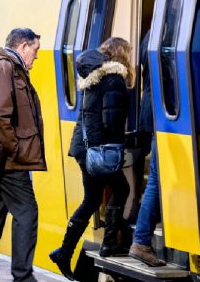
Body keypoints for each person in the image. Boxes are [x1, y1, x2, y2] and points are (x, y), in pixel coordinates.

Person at [50, 37, 133, 280]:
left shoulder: (91, 79)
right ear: (121, 54)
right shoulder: (115, 80)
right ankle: (107, 245)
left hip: (84, 149)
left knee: (92, 199)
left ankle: (65, 252)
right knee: (121, 188)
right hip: (98, 151)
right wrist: (124, 139)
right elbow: (111, 120)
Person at [0, 28, 46, 282]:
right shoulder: (5, 68)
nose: (35, 58)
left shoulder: (11, 69)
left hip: (4, 159)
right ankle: (23, 276)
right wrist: (14, 147)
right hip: (8, 160)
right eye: (35, 51)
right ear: (23, 46)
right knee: (27, 212)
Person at [128, 31, 166, 267]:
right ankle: (141, 241)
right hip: (162, 113)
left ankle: (141, 240)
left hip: (153, 112)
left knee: (156, 178)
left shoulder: (149, 36)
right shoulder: (163, 30)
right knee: (156, 179)